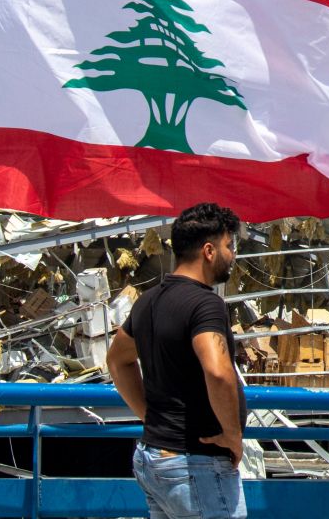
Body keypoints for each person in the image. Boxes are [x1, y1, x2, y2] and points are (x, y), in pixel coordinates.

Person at [107, 202, 248, 519]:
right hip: (195, 464)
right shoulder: (205, 305)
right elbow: (218, 371)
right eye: (229, 246)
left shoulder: (148, 301)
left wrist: (149, 416)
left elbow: (117, 361)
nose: (233, 255)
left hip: (154, 456)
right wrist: (232, 436)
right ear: (209, 250)